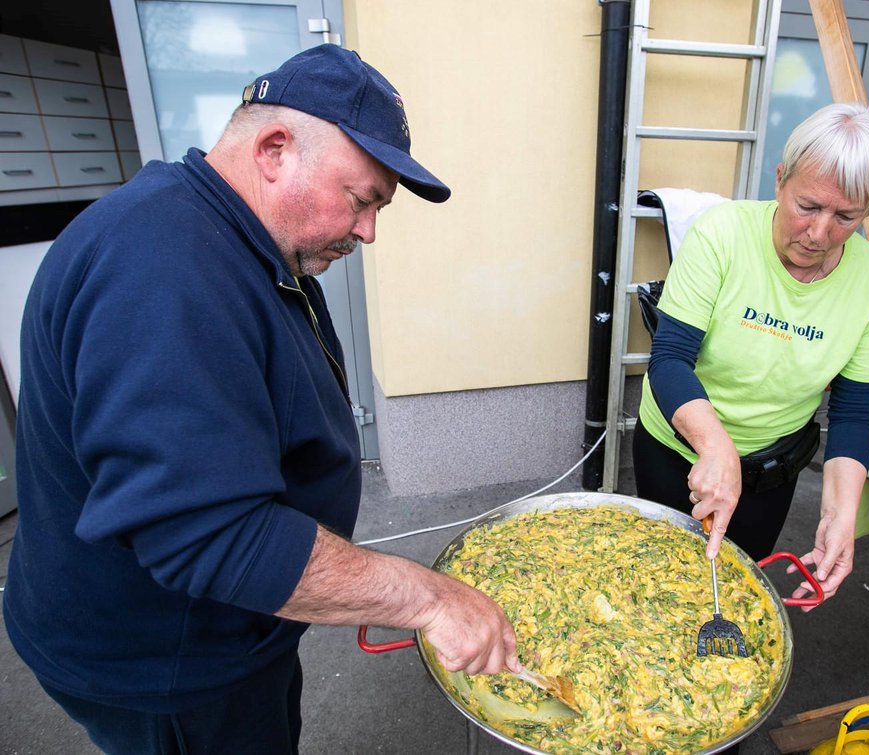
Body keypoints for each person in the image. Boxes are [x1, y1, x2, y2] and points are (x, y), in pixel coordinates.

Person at [3, 44, 518, 754]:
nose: (368, 230)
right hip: (166, 665)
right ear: (275, 150)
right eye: (361, 199)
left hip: (234, 628)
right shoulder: (161, 267)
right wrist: (430, 597)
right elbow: (211, 534)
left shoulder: (237, 236)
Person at [633, 102, 869, 609]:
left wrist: (841, 513)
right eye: (808, 206)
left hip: (770, 467)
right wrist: (715, 447)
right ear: (780, 180)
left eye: (846, 216)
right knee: (655, 579)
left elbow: (855, 410)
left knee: (729, 590)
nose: (819, 234)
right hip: (677, 445)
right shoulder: (722, 234)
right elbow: (669, 359)